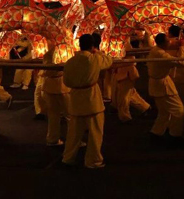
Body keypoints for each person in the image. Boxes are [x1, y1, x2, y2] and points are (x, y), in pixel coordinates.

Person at [62, 34, 113, 169]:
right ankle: (93, 160)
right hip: (92, 98)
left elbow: (66, 81)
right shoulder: (94, 59)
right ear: (92, 46)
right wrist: (98, 52)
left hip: (75, 98)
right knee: (95, 132)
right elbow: (108, 61)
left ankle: (68, 158)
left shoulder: (70, 61)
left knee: (73, 133)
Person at [147, 33, 184, 141]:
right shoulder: (161, 54)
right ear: (163, 43)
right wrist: (182, 48)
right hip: (162, 85)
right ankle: (175, 135)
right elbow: (181, 62)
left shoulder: (155, 50)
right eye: (168, 41)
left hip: (158, 82)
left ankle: (156, 133)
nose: (170, 42)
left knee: (164, 112)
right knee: (178, 111)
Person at [41, 45, 69, 146]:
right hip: (61, 86)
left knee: (53, 115)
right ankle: (74, 141)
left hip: (50, 85)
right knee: (70, 115)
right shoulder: (64, 48)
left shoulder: (47, 50)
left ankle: (52, 139)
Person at [110, 53, 150, 123]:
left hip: (126, 74)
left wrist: (113, 63)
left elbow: (131, 61)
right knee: (130, 95)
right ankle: (145, 107)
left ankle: (125, 117)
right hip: (120, 73)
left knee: (123, 97)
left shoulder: (125, 48)